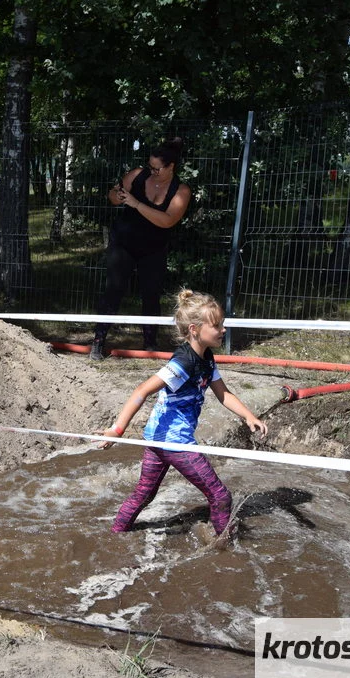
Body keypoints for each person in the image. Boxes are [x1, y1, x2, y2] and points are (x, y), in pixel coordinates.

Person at [98, 289, 268, 536]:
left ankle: (115, 534)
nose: (223, 330)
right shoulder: (183, 363)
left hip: (158, 437)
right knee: (220, 496)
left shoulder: (207, 359)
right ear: (194, 329)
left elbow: (223, 393)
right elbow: (142, 390)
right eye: (217, 325)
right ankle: (225, 548)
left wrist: (249, 416)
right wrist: (117, 429)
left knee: (144, 495)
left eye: (223, 324)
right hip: (174, 441)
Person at [90, 139, 193, 361]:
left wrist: (136, 204)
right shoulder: (137, 175)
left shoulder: (181, 190)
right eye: (150, 166)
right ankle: (98, 340)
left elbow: (167, 221)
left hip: (153, 248)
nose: (152, 171)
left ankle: (149, 343)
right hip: (124, 243)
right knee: (114, 289)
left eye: (157, 168)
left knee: (150, 294)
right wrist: (116, 196)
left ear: (171, 166)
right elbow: (112, 196)